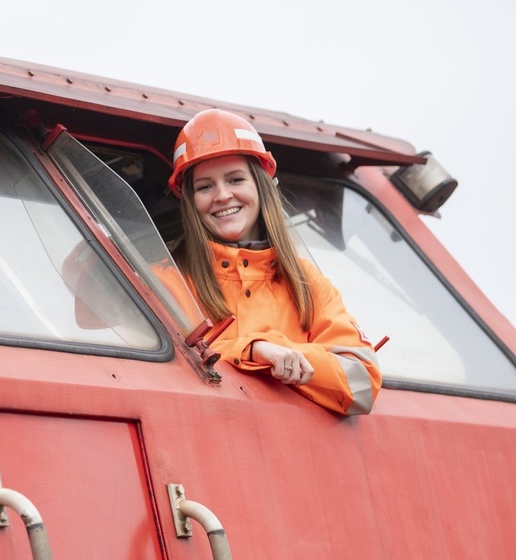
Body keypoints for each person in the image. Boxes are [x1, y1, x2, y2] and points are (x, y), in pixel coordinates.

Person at [159, 108, 381, 415]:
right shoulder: (168, 280)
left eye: (235, 179)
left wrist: (287, 355)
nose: (222, 196)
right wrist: (257, 351)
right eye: (205, 186)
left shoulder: (306, 281)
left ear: (261, 187)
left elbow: (362, 383)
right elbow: (165, 363)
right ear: (190, 201)